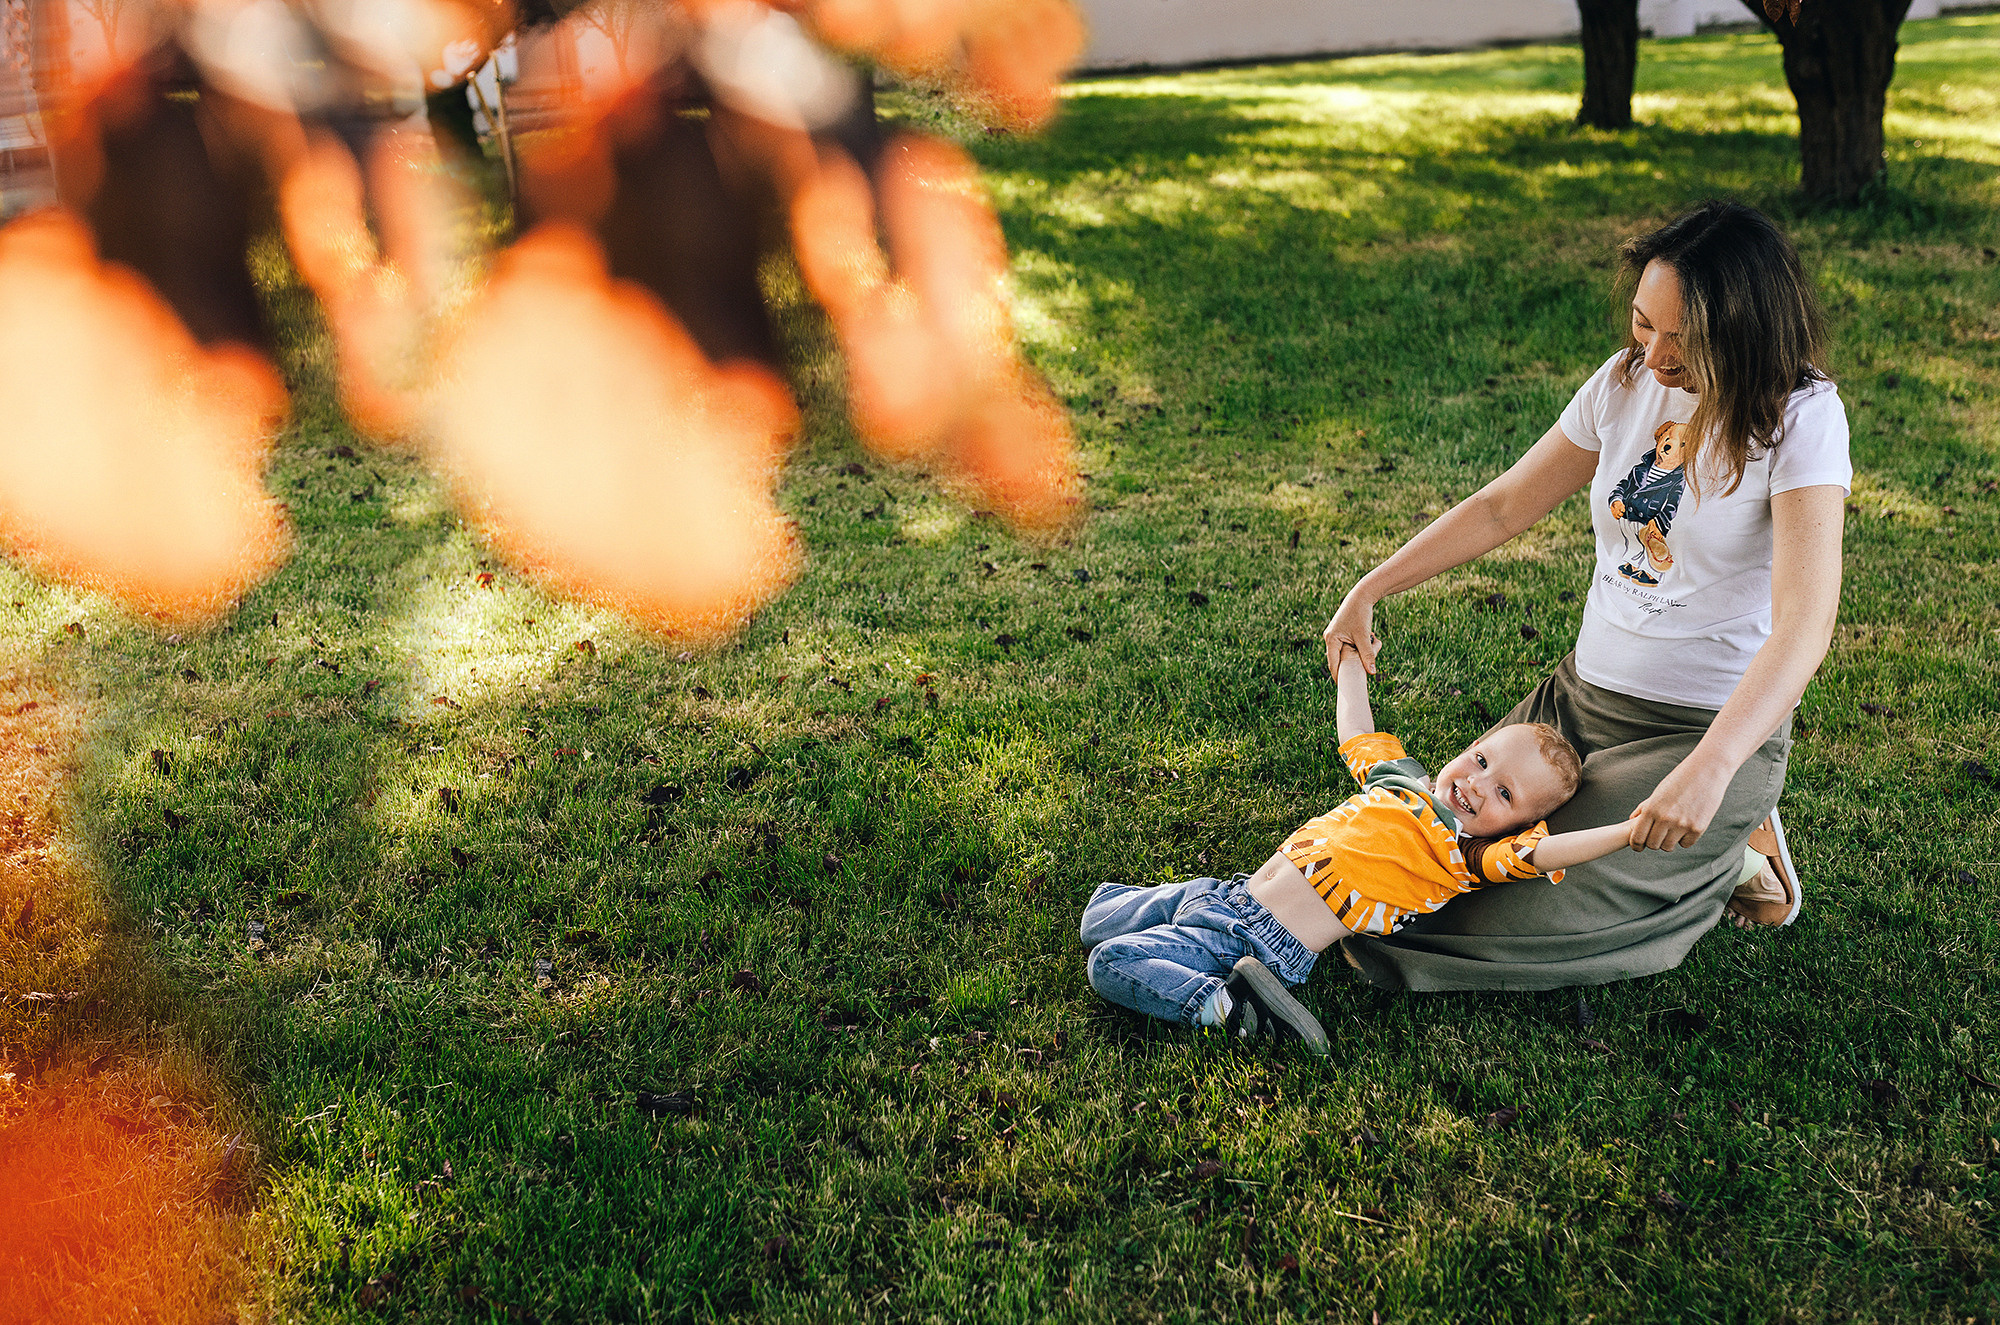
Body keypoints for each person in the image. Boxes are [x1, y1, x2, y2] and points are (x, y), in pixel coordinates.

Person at [1322, 199, 1849, 991]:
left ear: (1745, 331)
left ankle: (1724, 845)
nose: (1657, 356)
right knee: (1418, 855)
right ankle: (1723, 842)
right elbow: (1504, 505)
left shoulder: (1801, 417)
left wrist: (1712, 768)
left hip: (1699, 730)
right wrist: (1371, 587)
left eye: (1685, 340)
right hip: (1572, 708)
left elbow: (1805, 627)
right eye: (1645, 324)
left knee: (1460, 924)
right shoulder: (1624, 381)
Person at [1080, 642, 1648, 1051]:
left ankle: (1230, 1007)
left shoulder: (1467, 859)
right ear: (1471, 747)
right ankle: (1181, 950)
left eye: (1504, 793)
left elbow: (1545, 856)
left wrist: (1626, 833)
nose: (1476, 783)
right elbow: (1356, 733)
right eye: (1481, 760)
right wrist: (1350, 660)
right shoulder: (1401, 781)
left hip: (1263, 942)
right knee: (1098, 920)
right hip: (1225, 894)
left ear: (1515, 828)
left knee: (1111, 963)